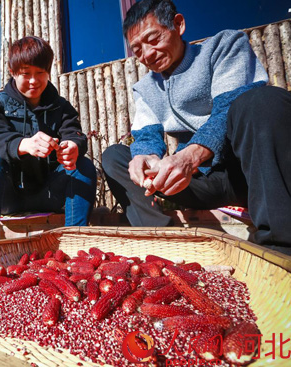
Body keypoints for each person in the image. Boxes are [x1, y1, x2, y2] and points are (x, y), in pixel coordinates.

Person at [101, 0, 291, 253]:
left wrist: (189, 157)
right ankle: (161, 238)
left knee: (263, 101)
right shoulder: (145, 88)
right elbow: (146, 136)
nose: (147, 54)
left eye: (154, 39)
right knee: (115, 156)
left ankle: (281, 245)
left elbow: (228, 108)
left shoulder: (223, 47)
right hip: (200, 182)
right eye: (137, 49)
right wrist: (143, 158)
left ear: (178, 25)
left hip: (246, 174)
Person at [0, 36, 97, 241]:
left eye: (40, 72)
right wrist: (22, 144)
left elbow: (74, 133)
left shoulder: (61, 106)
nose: (33, 80)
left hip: (50, 194)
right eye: (25, 73)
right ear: (12, 73)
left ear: (48, 72)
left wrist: (73, 145)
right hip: (10, 195)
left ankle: (76, 238)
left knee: (82, 165)